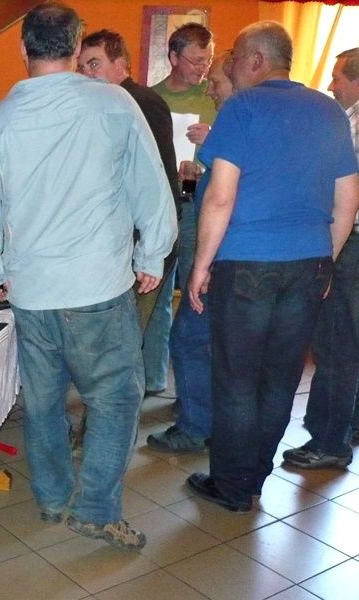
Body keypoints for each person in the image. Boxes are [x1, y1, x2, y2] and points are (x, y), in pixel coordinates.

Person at [0, 2, 176, 549]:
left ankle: (53, 497)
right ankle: (96, 509)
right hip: (98, 288)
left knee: (42, 402)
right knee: (115, 399)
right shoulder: (113, 103)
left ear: (23, 48)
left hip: (31, 292)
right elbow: (150, 184)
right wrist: (153, 255)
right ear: (78, 46)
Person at [185, 23, 359, 512]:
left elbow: (220, 197)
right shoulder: (329, 111)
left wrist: (200, 266)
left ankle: (232, 486)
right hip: (308, 264)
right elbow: (348, 199)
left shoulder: (242, 108)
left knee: (237, 379)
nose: (231, 65)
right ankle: (254, 476)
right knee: (280, 378)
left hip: (246, 264)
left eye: (236, 56)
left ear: (257, 60)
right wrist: (324, 260)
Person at [148, 51, 235, 453]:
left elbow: (225, 195)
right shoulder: (155, 97)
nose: (210, 86)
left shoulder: (236, 119)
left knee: (191, 332)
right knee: (185, 322)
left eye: (215, 78)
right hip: (185, 213)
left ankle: (197, 422)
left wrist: (203, 265)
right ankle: (195, 406)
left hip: (220, 243)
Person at [283, 47, 359, 469]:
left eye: (338, 77)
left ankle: (328, 441)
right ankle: (347, 425)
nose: (331, 86)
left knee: (335, 345)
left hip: (350, 242)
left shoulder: (353, 124)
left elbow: (343, 191)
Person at [77, 29, 179, 330]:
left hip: (140, 243)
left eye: (94, 64)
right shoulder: (111, 104)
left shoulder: (140, 102)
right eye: (81, 67)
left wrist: (146, 250)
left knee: (127, 334)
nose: (86, 73)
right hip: (136, 241)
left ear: (121, 65)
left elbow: (154, 182)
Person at [147, 22, 217, 395]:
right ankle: (153, 377)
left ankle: (191, 389)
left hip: (198, 203)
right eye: (195, 60)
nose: (202, 69)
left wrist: (209, 145)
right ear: (173, 57)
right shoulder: (151, 98)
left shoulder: (215, 97)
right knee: (154, 290)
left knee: (196, 291)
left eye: (207, 61)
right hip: (159, 204)